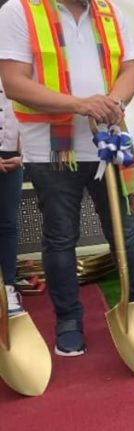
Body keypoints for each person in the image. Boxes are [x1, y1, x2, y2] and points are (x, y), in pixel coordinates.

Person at [0, 0, 134, 357]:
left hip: (109, 142)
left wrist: (112, 101)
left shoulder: (111, 12)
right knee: (60, 236)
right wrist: (81, 105)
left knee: (126, 231)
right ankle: (68, 320)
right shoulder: (19, 11)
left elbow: (129, 71)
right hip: (51, 150)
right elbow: (14, 83)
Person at [0, 73, 23, 316]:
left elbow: (30, 116)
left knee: (7, 224)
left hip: (11, 155)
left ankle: (7, 286)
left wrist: (22, 156)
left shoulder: (17, 69)